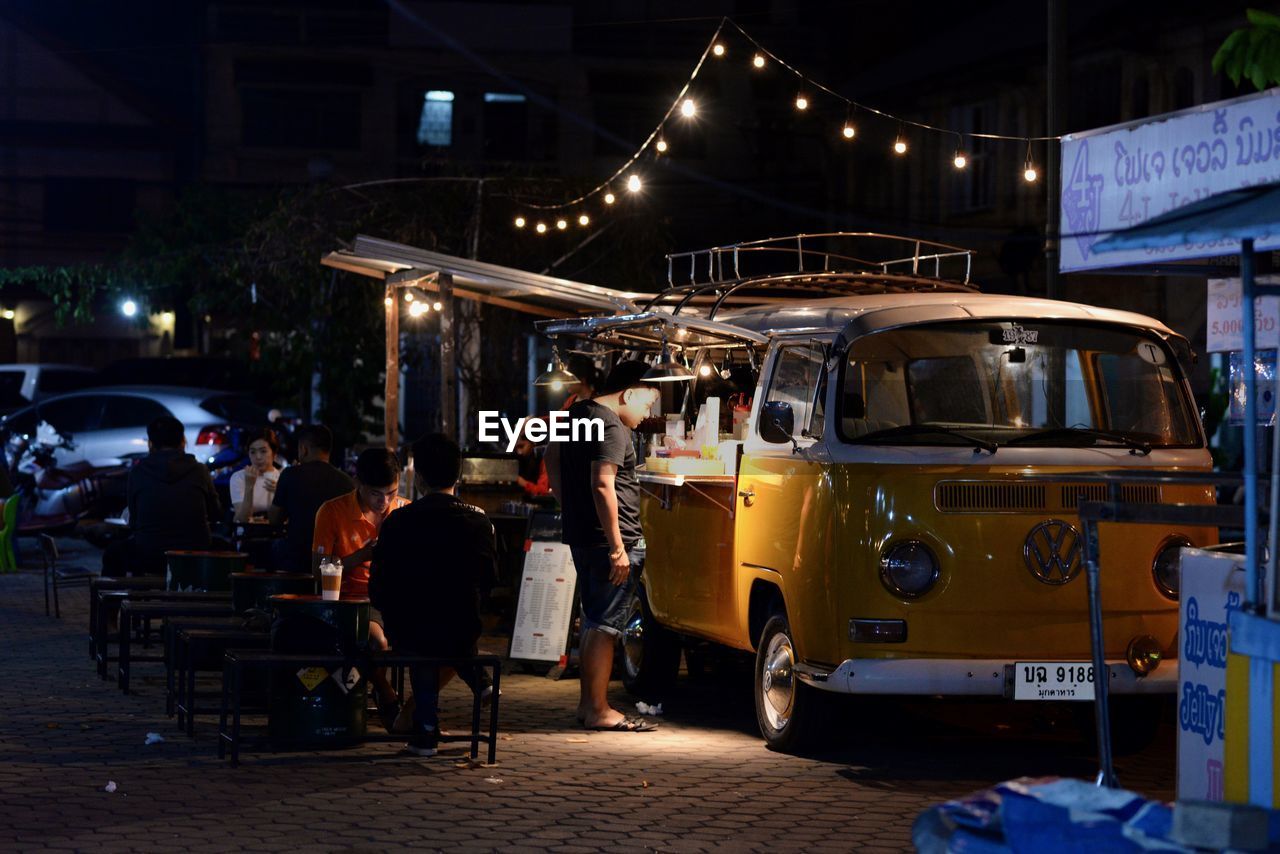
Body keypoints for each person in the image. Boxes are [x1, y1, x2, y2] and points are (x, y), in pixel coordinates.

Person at [369, 433, 498, 757]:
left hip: (411, 627)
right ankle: (480, 682)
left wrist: (390, 609)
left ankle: (426, 732)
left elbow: (380, 583)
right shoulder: (479, 520)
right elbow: (489, 579)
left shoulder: (399, 520)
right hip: (461, 625)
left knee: (420, 632)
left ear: (420, 477)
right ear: (459, 474)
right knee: (451, 622)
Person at [553, 359, 661, 732]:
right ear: (629, 392)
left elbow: (552, 457)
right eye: (646, 405)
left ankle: (588, 705)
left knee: (593, 618)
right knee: (605, 625)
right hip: (611, 540)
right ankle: (598, 709)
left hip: (583, 535)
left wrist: (566, 503)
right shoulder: (612, 425)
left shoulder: (576, 414)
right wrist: (617, 546)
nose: (647, 415)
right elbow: (603, 484)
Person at [312, 447, 409, 729]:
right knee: (375, 641)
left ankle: (420, 711)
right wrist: (362, 556)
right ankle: (388, 696)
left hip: (397, 599)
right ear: (359, 484)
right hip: (351, 600)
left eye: (391, 492)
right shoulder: (332, 511)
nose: (384, 501)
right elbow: (318, 573)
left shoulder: (405, 510)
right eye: (376, 494)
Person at [102, 415, 221, 577]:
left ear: (151, 443)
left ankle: (121, 600)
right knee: (227, 548)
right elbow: (215, 513)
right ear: (183, 441)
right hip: (195, 552)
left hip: (148, 554)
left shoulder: (138, 472)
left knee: (113, 552)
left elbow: (134, 520)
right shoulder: (200, 471)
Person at [268, 425, 352, 573]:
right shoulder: (346, 481)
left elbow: (275, 520)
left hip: (296, 555)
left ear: (303, 449)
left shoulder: (290, 475)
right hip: (333, 559)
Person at [230, 427, 282, 523]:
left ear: (274, 454)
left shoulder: (282, 478)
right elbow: (241, 519)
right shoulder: (238, 477)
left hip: (275, 534)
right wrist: (249, 486)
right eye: (253, 452)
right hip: (248, 534)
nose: (258, 457)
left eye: (263, 451)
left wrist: (280, 493)